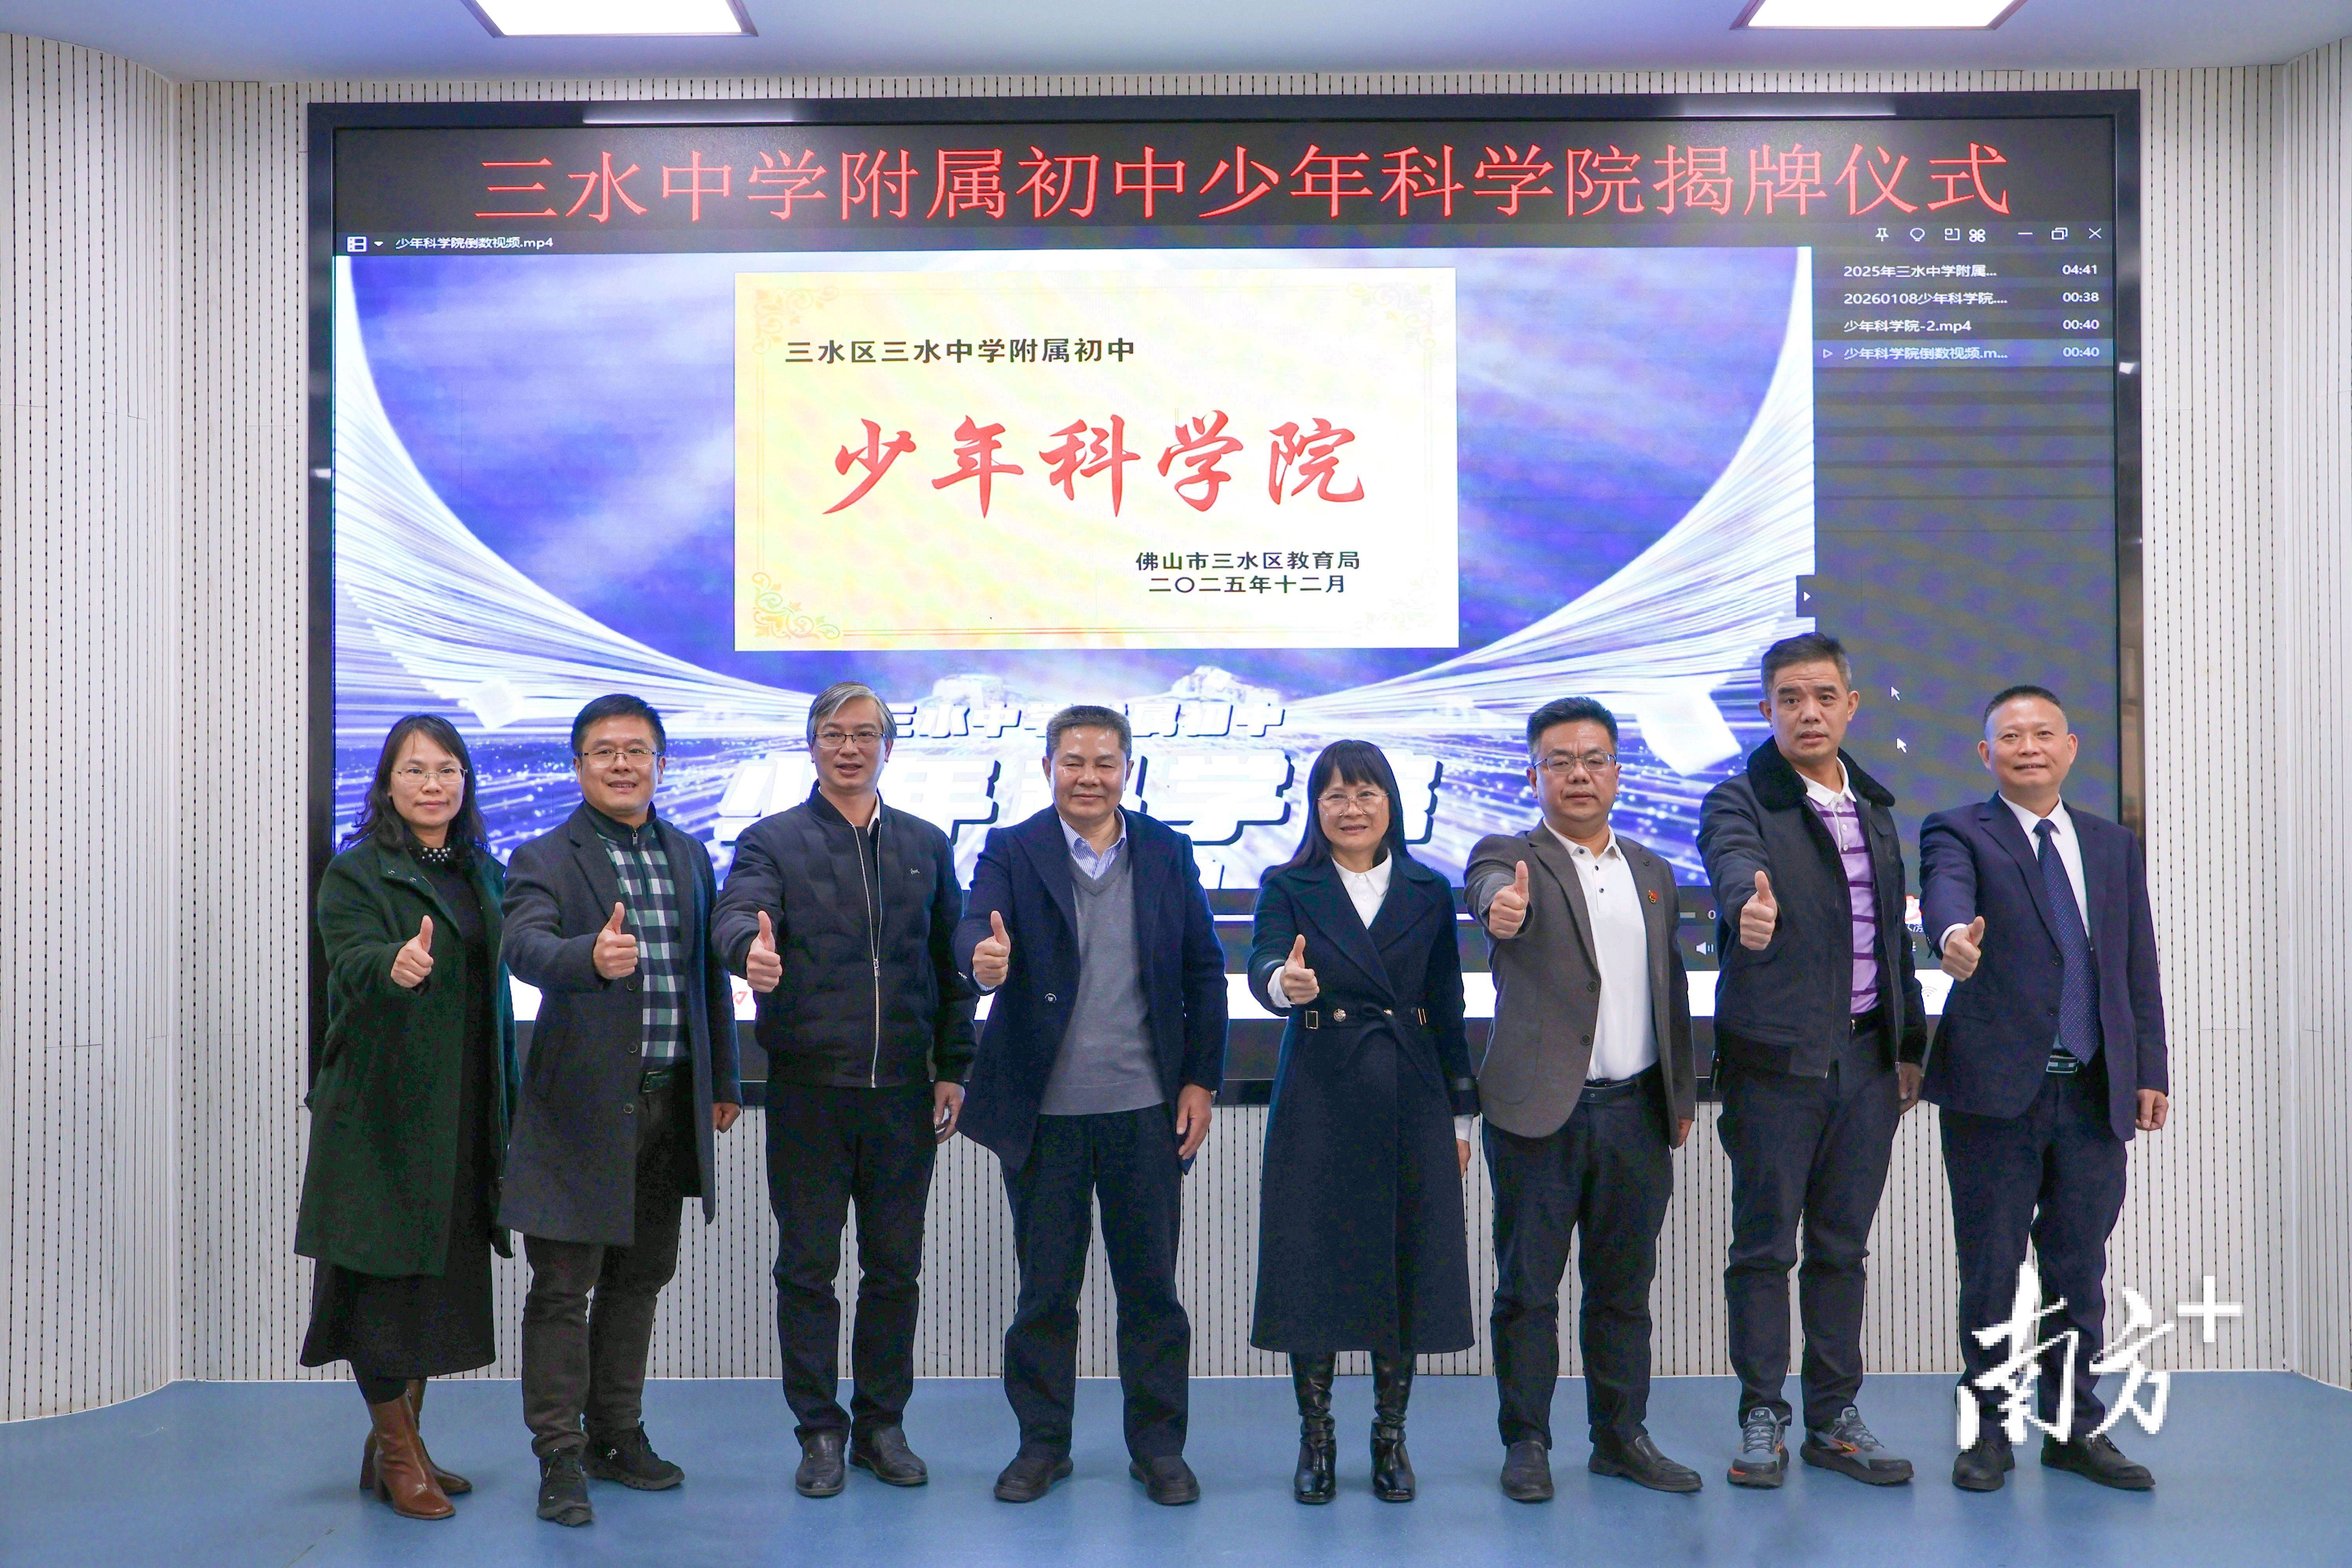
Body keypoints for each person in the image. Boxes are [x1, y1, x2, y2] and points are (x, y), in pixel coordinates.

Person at [955, 704, 1227, 1507]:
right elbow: (973, 929)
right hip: (1043, 1115)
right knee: (1046, 1294)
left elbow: (1204, 971)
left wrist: (1201, 1080)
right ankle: (1043, 1444)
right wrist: (982, 960)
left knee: (1152, 1292)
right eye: (1073, 761)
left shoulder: (1168, 851)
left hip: (1146, 1109)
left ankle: (1159, 1448)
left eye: (1106, 763)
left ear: (1128, 771)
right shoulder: (1012, 849)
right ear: (1048, 768)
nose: (1089, 777)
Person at [712, 681, 977, 1498]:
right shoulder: (772, 841)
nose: (850, 747)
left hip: (902, 1096)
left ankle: (882, 1425)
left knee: (895, 1270)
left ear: (888, 747)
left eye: (865, 734)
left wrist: (953, 1065)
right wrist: (747, 953)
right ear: (813, 745)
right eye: (834, 733)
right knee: (807, 1270)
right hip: (809, 1094)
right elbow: (737, 914)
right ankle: (820, 1432)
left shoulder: (926, 844)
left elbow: (951, 964)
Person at [500, 694, 742, 1528]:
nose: (621, 764)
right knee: (563, 1288)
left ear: (661, 765)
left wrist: (723, 1078)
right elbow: (524, 945)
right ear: (579, 766)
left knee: (639, 1280)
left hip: (670, 1102)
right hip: (578, 1110)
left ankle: (615, 1433)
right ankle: (558, 1455)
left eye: (637, 750)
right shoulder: (542, 855)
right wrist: (588, 958)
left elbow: (707, 977)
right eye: (603, 750)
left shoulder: (690, 854)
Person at [1921, 686, 2169, 1493]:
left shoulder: (2112, 844)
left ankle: (2072, 1428)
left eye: (2042, 734)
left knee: (2077, 1270)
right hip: (1996, 1093)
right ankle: (1988, 1432)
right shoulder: (1960, 830)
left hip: (2095, 1089)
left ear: (2070, 747)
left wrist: (2150, 1069)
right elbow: (1947, 898)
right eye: (2010, 736)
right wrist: (1951, 938)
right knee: (1992, 1269)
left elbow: (2135, 964)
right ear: (1985, 754)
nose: (2027, 747)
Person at [1698, 633, 1927, 1489]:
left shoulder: (1874, 809)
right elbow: (1735, 866)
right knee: (1764, 1249)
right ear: (1767, 710)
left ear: (1851, 706)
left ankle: (1835, 1416)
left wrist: (1908, 1048)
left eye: (1824, 696)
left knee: (1842, 1249)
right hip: (1777, 1067)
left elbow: (1890, 944)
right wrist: (1747, 909)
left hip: (1867, 1067)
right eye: (1790, 698)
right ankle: (1763, 1412)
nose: (1808, 712)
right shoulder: (1740, 802)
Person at [1465, 698, 1701, 1503]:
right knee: (1527, 1290)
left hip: (1637, 1111)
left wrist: (1680, 1092)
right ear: (1533, 775)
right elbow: (1490, 891)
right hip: (1538, 1116)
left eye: (1594, 759)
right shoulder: (1509, 855)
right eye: (1559, 761)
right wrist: (1501, 907)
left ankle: (1621, 1437)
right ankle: (1527, 1441)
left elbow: (1669, 988)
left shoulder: (1652, 871)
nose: (1578, 774)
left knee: (1622, 1291)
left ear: (1618, 773)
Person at [298, 715, 519, 1521]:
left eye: (448, 768)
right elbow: (349, 957)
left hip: (461, 1112)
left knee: (432, 1286)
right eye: (416, 769)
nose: (434, 784)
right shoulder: (357, 870)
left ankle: (401, 1444)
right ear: (387, 784)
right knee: (381, 1288)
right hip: (381, 1113)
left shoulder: (483, 870)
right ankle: (399, 1456)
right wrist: (392, 963)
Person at [1247, 740, 1479, 1505]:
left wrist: (1461, 1118)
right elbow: (1263, 964)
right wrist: (1285, 982)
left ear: (1391, 804)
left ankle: (1390, 1436)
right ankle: (1316, 1438)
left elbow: (1447, 1005)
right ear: (1315, 808)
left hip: (1411, 1091)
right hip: (1319, 1090)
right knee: (1310, 1263)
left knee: (1402, 1261)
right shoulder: (1289, 884)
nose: (1352, 809)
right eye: (1336, 795)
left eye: (1367, 793)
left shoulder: (1427, 889)